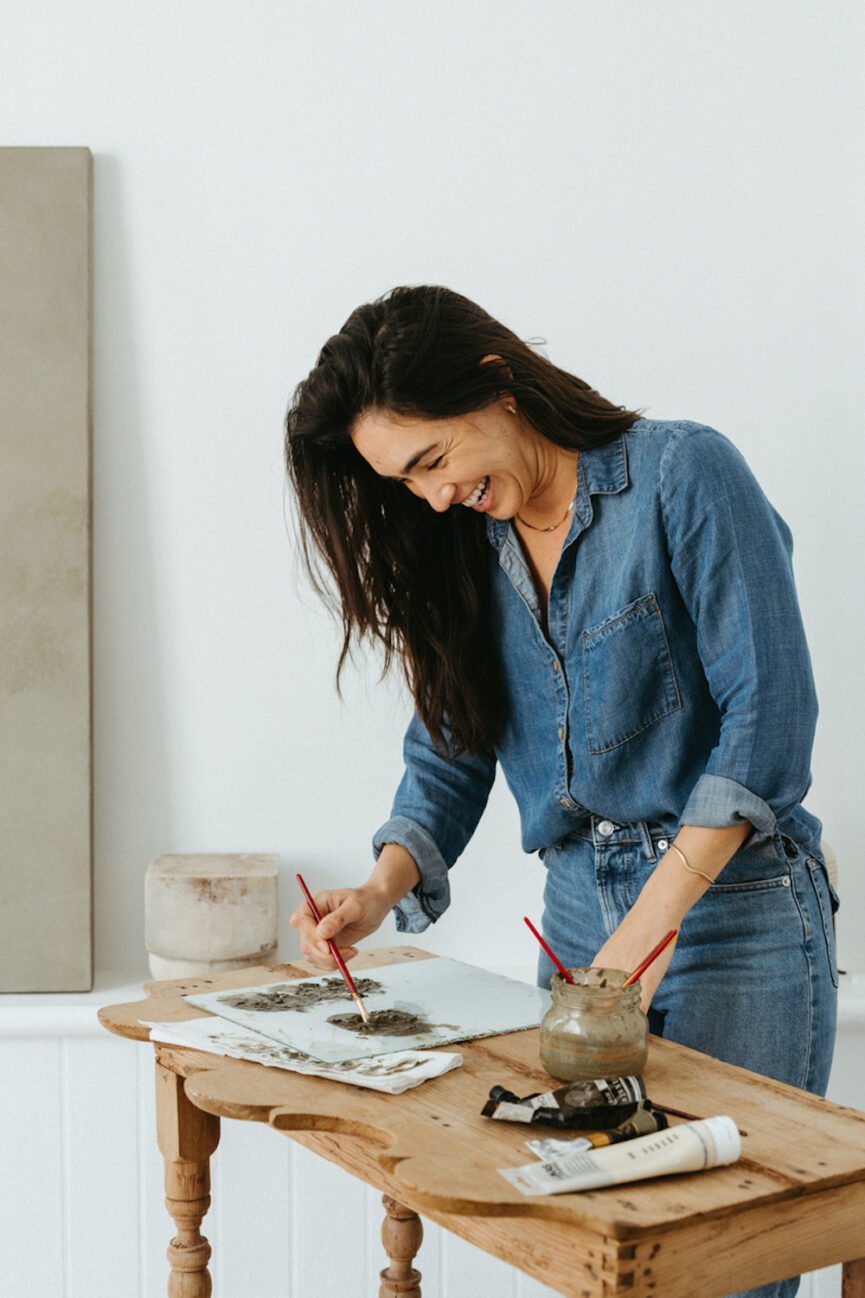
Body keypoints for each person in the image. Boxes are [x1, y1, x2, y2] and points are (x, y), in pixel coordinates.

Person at [285, 285, 838, 1298]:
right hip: (579, 915)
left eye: (431, 460)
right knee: (606, 1252)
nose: (432, 496)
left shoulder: (682, 473)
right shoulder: (465, 549)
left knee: (726, 1265)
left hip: (736, 916)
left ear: (494, 382)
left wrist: (638, 941)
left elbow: (769, 718)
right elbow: (452, 743)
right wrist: (377, 887)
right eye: (404, 482)